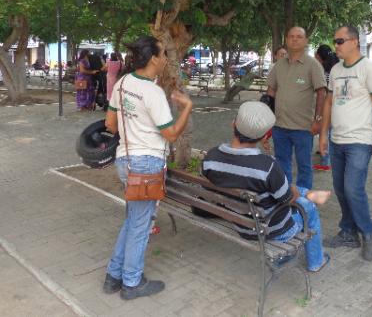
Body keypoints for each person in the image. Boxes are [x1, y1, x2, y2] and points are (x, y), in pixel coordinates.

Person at [103, 36, 193, 300]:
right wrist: (187, 107)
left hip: (125, 160)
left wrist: (134, 125)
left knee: (133, 221)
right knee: (140, 226)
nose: (165, 59)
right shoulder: (153, 92)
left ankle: (113, 276)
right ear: (153, 58)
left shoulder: (122, 83)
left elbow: (110, 124)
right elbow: (172, 134)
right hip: (147, 165)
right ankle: (131, 282)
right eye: (163, 54)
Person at [203, 101, 331, 272]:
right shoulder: (267, 166)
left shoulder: (211, 158)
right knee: (308, 207)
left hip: (240, 223)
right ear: (264, 137)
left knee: (288, 190)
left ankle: (308, 193)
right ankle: (316, 261)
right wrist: (295, 193)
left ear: (233, 124)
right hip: (270, 230)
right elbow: (288, 199)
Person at [320, 25, 372, 261]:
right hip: (337, 140)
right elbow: (329, 102)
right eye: (335, 41)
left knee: (352, 188)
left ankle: (367, 233)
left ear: (354, 42)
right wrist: (322, 135)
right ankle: (348, 232)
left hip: (360, 140)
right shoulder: (336, 70)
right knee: (340, 189)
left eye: (339, 41)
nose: (336, 46)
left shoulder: (370, 69)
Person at [266, 27, 327, 190]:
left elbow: (322, 93)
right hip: (279, 126)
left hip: (303, 127)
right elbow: (271, 90)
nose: (295, 39)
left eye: (299, 37)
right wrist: (265, 115)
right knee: (282, 163)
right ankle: (284, 197)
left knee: (304, 166)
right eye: (291, 36)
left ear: (306, 41)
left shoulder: (313, 65)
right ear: (286, 40)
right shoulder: (279, 65)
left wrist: (318, 120)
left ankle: (303, 201)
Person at [313, 45, 339, 172]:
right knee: (330, 132)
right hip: (337, 105)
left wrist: (320, 112)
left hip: (327, 105)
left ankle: (325, 162)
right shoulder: (337, 67)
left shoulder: (323, 71)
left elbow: (323, 93)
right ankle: (326, 156)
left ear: (319, 56)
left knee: (325, 132)